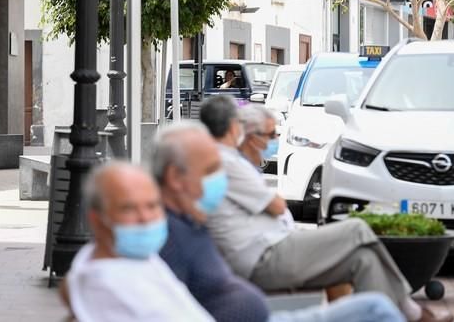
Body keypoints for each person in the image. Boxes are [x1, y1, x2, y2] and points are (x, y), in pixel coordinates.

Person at [199, 96, 453, 322]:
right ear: (234, 127)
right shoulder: (224, 161)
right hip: (263, 257)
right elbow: (276, 205)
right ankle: (411, 312)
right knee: (356, 229)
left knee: (363, 259)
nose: (274, 139)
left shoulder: (225, 158)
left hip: (272, 247)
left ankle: (400, 314)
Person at [153, 121, 405, 322]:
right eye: (210, 171)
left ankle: (407, 308)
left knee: (366, 264)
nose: (220, 179)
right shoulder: (167, 235)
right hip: (265, 261)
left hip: (266, 282)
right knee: (358, 237)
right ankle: (411, 309)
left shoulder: (190, 221)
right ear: (175, 177)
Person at [62, 161, 213, 322]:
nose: (145, 218)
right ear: (97, 220)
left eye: (152, 206)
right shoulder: (111, 290)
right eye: (128, 208)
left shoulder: (131, 257)